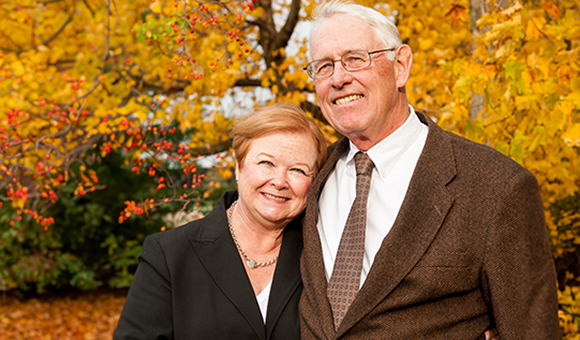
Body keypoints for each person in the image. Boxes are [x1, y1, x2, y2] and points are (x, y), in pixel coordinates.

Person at [299, 1, 559, 339]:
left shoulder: (496, 186)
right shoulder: (309, 178)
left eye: (355, 59)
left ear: (401, 66)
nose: (339, 79)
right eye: (323, 66)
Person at [114, 102, 327, 340]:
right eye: (266, 163)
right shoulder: (169, 256)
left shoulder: (324, 255)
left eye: (298, 170)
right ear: (237, 166)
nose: (279, 181)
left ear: (314, 182)